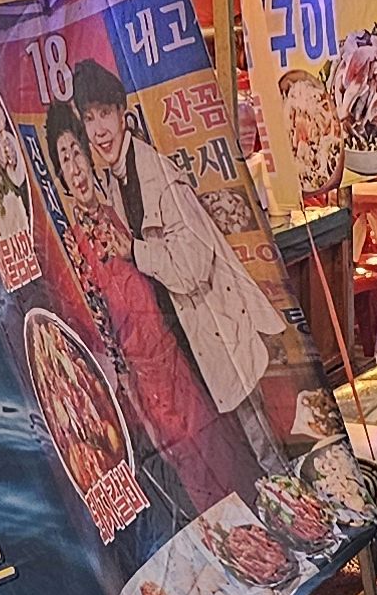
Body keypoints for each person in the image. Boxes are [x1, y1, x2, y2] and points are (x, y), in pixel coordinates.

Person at [70, 60, 286, 468]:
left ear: (123, 115)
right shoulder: (118, 177)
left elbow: (191, 265)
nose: (99, 130)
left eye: (106, 114)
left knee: (263, 451)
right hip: (188, 342)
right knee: (237, 456)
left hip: (216, 329)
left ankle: (302, 523)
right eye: (90, 118)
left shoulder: (155, 175)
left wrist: (134, 250)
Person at [42, 105, 248, 512]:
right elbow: (94, 322)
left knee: (216, 443)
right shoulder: (72, 245)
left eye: (78, 154)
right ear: (62, 178)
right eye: (65, 161)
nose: (76, 168)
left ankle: (254, 520)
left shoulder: (119, 207)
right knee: (186, 462)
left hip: (175, 351)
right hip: (141, 376)